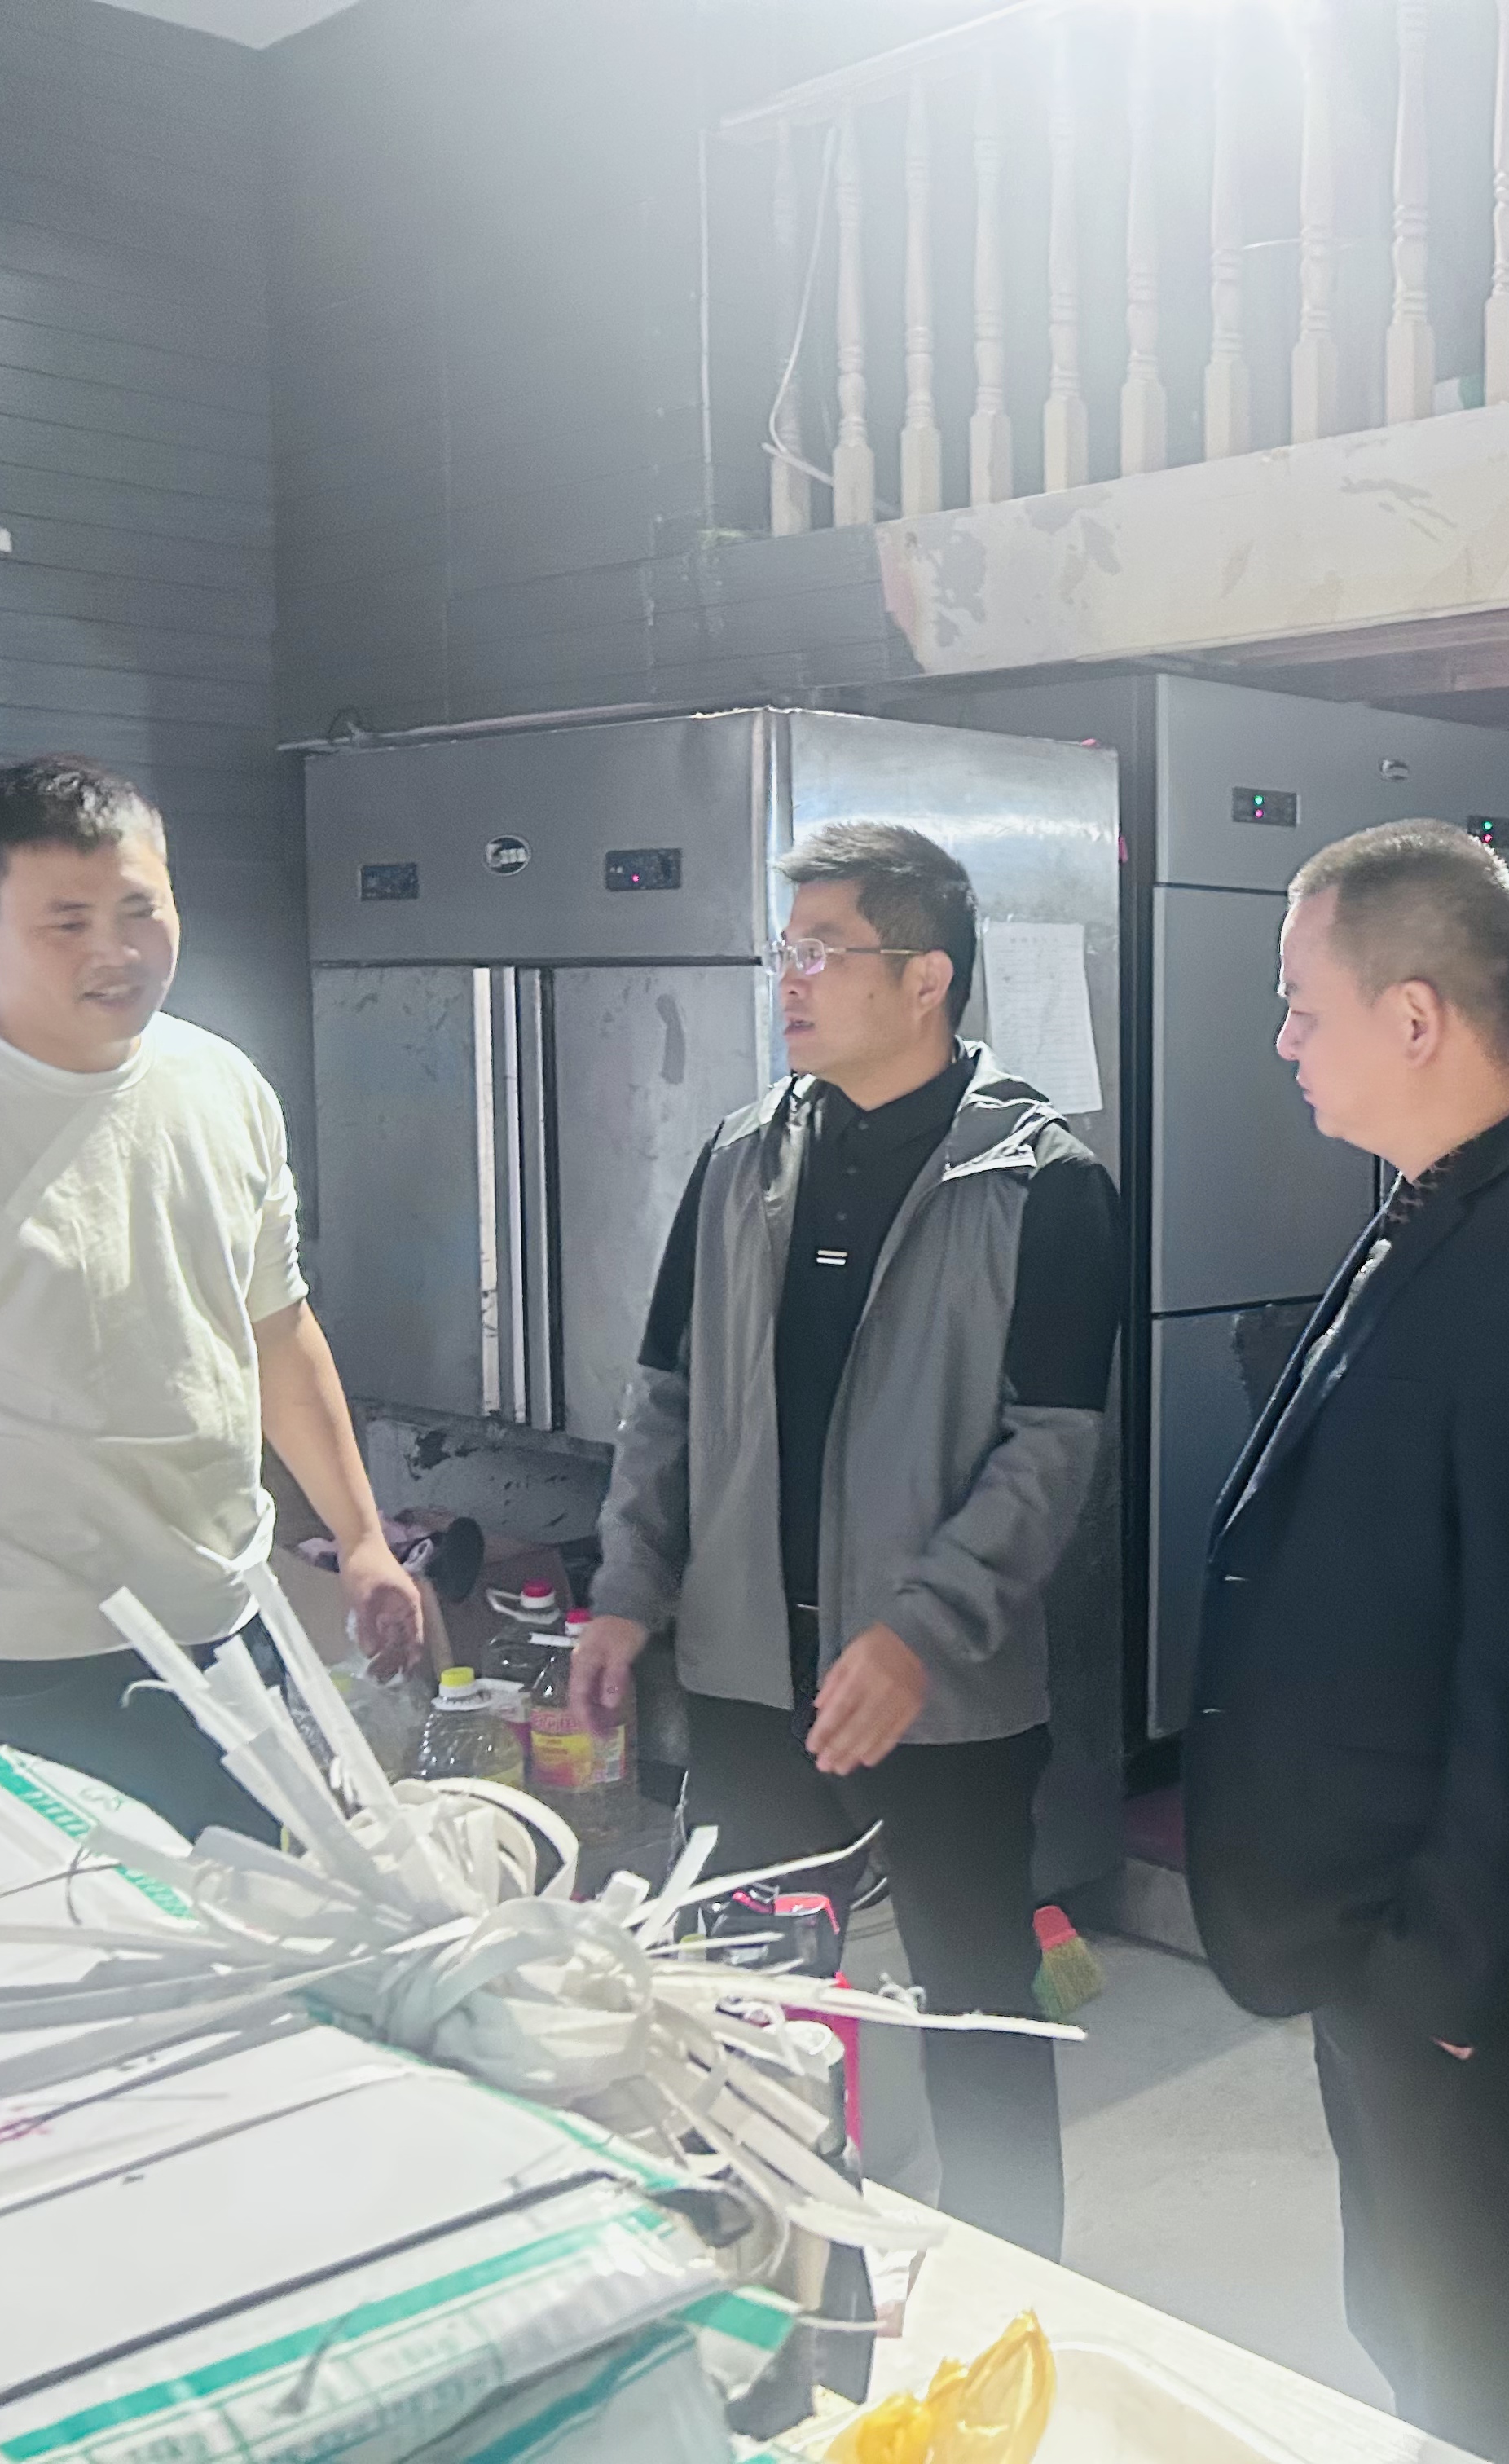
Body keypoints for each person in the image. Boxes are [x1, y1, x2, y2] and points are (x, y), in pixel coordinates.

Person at [1187, 823, 1509, 2464]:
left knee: (1503, 2361)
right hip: (1388, 1930)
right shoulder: (1450, 1202)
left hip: (1459, 1960)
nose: (1281, 1040)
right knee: (1414, 2323)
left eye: (1301, 1005)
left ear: (1415, 1017)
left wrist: (1447, 1973)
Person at [579, 821, 1121, 2259]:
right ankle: (757, 2275)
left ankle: (1011, 2291)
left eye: (824, 950)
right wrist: (627, 1591)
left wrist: (916, 1630)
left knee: (975, 2007)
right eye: (788, 949)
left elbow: (1051, 1449)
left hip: (942, 1703)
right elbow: (666, 1396)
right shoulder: (738, 1157)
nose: (792, 979)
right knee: (735, 2010)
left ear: (925, 976)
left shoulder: (1044, 1182)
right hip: (750, 1681)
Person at [0, 754, 425, 1837]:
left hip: (231, 1636)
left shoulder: (222, 1085)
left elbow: (276, 1329)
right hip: (21, 1674)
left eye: (140, 910)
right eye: (66, 923)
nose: (118, 952)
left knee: (262, 1935)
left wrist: (361, 1539)